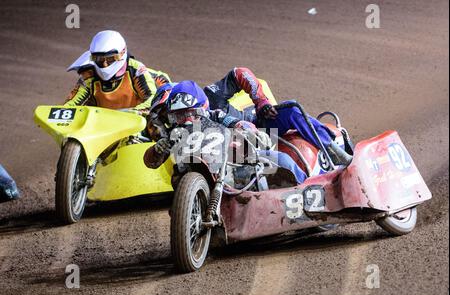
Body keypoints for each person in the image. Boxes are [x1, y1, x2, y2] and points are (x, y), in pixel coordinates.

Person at [143, 81, 307, 184]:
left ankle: (308, 188)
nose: (186, 119)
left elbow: (238, 123)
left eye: (190, 113)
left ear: (203, 109)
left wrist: (250, 131)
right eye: (179, 115)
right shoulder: (174, 133)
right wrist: (157, 149)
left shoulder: (215, 116)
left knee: (280, 159)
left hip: (233, 169)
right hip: (192, 179)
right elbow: (151, 162)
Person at [203, 67, 353, 166]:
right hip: (230, 153)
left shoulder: (209, 96)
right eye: (180, 115)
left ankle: (333, 151)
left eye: (187, 111)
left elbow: (240, 73)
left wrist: (261, 102)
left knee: (291, 108)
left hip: (254, 130)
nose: (186, 116)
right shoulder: (185, 129)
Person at [64, 30, 170, 111]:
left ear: (122, 54)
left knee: (157, 124)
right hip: (105, 123)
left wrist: (133, 113)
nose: (104, 64)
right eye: (99, 59)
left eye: (110, 59)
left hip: (137, 120)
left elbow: (152, 98)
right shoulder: (89, 76)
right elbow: (71, 104)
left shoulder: (136, 70)